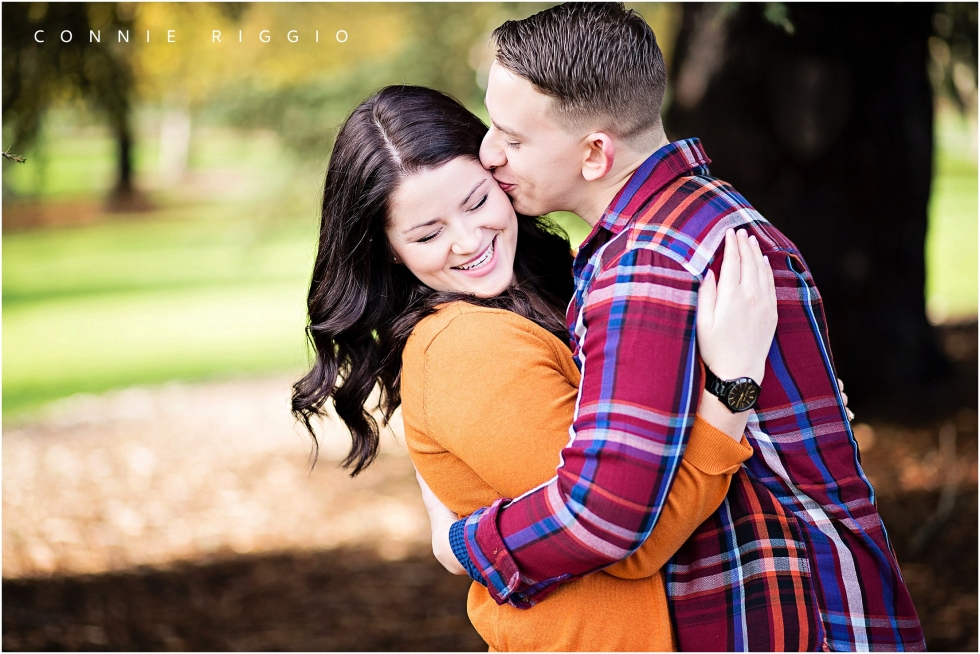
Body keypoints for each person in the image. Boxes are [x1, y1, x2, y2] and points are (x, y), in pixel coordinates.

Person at [421, 3, 925, 651]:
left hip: (786, 619)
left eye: (513, 138)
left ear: (596, 153)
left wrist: (460, 542)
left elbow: (603, 517)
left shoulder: (647, 264)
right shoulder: (713, 215)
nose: (489, 154)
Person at [291, 85, 778, 650]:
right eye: (428, 234)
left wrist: (462, 541)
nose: (469, 240)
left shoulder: (563, 284)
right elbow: (627, 537)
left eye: (476, 202)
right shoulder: (464, 349)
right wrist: (732, 389)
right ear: (388, 251)